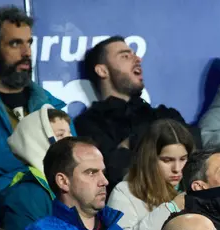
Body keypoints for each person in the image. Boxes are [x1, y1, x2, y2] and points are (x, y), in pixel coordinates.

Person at [0, 6, 68, 230]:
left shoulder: (50, 104)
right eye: (15, 44)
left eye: (29, 43)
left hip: (55, 207)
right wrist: (49, 152)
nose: (27, 52)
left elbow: (71, 156)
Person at [76, 37, 186, 190]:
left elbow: (194, 153)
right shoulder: (88, 124)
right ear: (102, 70)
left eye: (134, 54)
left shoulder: (165, 114)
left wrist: (129, 145)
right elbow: (112, 172)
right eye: (125, 56)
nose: (138, 59)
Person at [107, 119, 193, 230]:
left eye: (183, 159)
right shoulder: (124, 192)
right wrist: (170, 208)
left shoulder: (192, 189)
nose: (177, 168)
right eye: (167, 160)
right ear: (149, 159)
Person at [1, 106, 72, 230]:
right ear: (37, 141)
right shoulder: (26, 193)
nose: (71, 141)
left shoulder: (64, 181)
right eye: (61, 135)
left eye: (70, 133)